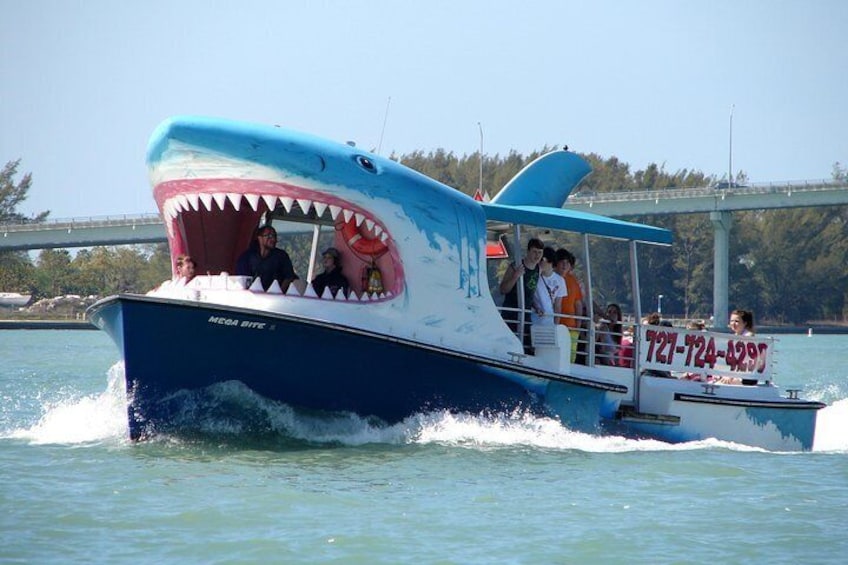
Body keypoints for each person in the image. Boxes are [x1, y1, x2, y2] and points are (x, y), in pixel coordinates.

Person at [499, 238, 544, 353]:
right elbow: (503, 289)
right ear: (528, 251)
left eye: (539, 252)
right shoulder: (516, 266)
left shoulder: (538, 269)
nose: (537, 255)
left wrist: (536, 307)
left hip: (526, 315)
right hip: (511, 314)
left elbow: (530, 293)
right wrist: (515, 276)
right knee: (509, 346)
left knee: (527, 348)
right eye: (534, 252)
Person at [235, 225, 300, 292]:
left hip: (275, 296)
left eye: (274, 236)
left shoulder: (281, 256)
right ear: (259, 238)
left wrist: (279, 292)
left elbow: (289, 277)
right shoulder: (247, 257)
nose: (273, 239)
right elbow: (242, 279)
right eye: (269, 236)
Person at [554, 248, 585, 363]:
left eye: (567, 262)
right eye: (562, 262)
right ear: (556, 263)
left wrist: (578, 323)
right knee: (557, 355)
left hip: (572, 326)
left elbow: (578, 303)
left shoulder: (573, 280)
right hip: (556, 325)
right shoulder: (551, 278)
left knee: (571, 357)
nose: (564, 265)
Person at [530, 247, 566, 326]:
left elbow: (558, 305)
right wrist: (536, 307)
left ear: (550, 261)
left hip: (549, 320)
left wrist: (556, 325)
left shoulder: (560, 280)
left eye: (542, 259)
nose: (539, 261)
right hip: (533, 319)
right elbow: (528, 295)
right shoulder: (533, 277)